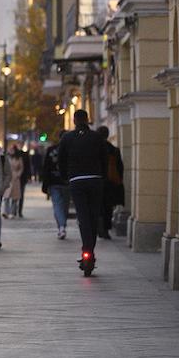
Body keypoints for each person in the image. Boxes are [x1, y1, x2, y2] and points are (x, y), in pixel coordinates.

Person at [58, 110, 109, 269]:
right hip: (95, 180)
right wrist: (102, 177)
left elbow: (61, 160)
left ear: (74, 121)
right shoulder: (97, 137)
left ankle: (86, 252)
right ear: (87, 120)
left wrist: (66, 177)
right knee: (93, 216)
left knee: (83, 217)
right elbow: (104, 159)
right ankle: (89, 252)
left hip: (77, 181)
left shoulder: (67, 138)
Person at [41, 130, 72, 239]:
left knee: (58, 205)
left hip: (54, 182)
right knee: (64, 206)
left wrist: (45, 184)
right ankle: (62, 226)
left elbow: (46, 168)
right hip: (67, 182)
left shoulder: (51, 150)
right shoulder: (71, 150)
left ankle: (61, 227)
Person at [97, 125, 125, 240]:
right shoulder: (113, 149)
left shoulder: (95, 149)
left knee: (98, 207)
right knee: (108, 207)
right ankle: (106, 229)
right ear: (107, 135)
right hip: (110, 182)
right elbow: (120, 167)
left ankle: (99, 227)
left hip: (97, 181)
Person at [3, 143, 26, 219]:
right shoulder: (6, 158)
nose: (11, 151)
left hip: (15, 178)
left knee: (14, 197)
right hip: (8, 178)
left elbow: (21, 168)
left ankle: (12, 212)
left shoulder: (18, 158)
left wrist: (18, 174)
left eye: (12, 150)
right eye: (10, 150)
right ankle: (6, 212)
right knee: (6, 196)